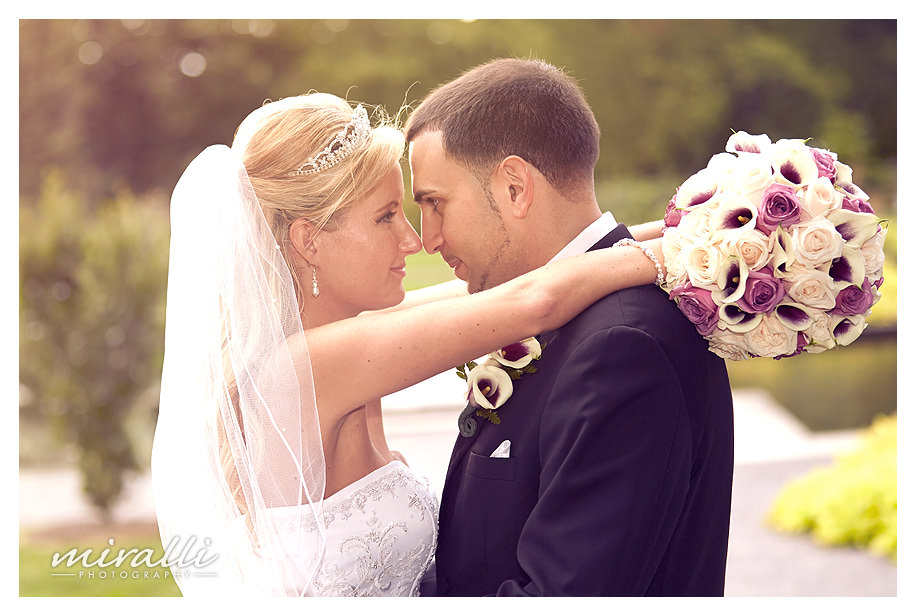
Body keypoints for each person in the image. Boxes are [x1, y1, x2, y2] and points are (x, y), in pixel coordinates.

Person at [151, 91, 668, 596]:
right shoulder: (306, 366)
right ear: (310, 241)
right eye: (385, 217)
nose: (413, 239)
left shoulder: (342, 342)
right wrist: (689, 252)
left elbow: (530, 280)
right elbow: (534, 302)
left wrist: (680, 223)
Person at [405, 58, 735, 596]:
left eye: (435, 204)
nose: (429, 238)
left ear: (515, 188)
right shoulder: (561, 312)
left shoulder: (622, 347)